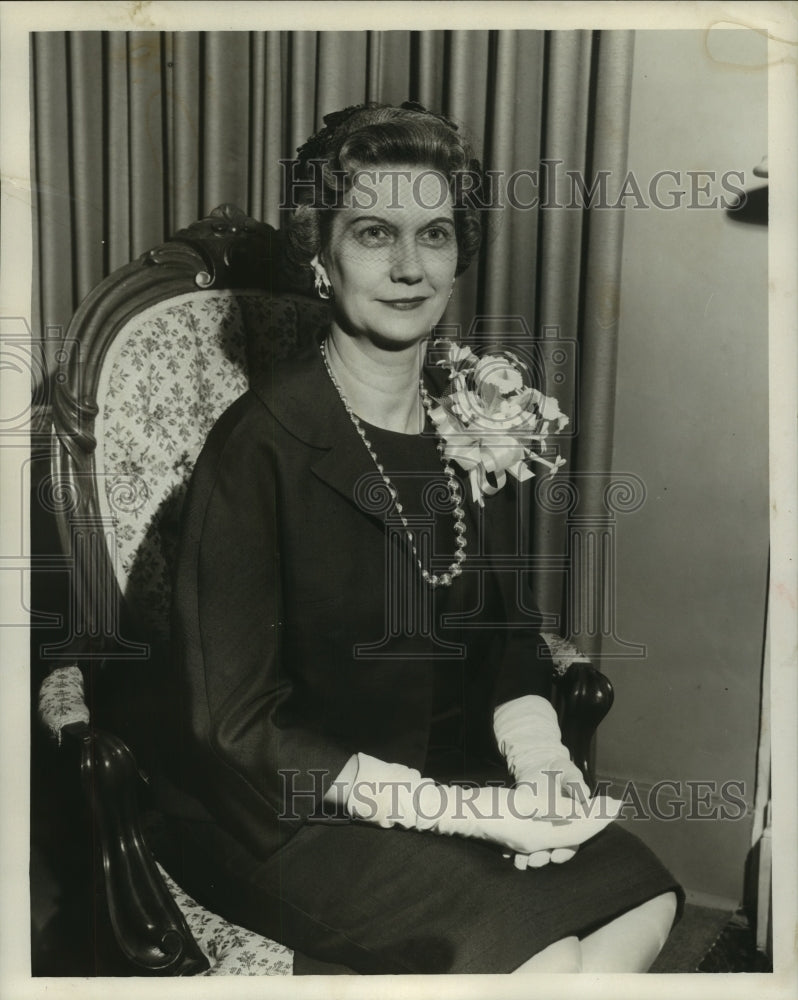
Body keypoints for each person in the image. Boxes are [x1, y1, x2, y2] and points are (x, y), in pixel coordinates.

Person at [158, 101, 682, 974]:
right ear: (320, 256)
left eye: (433, 234)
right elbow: (233, 727)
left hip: (443, 782)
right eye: (373, 232)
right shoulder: (260, 444)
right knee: (542, 959)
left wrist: (540, 761)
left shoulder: (473, 422)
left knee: (647, 896)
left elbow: (507, 634)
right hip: (280, 815)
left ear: (457, 256)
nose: (408, 267)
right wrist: (461, 814)